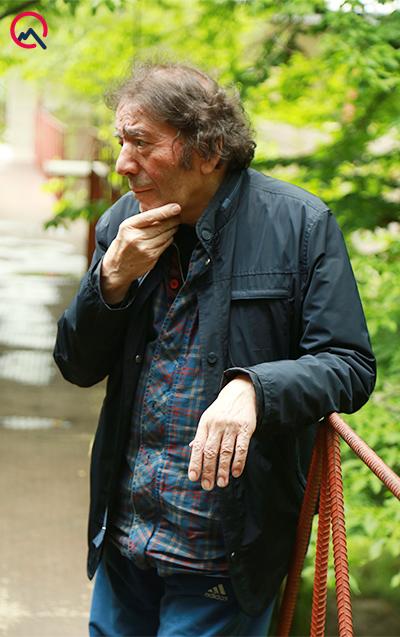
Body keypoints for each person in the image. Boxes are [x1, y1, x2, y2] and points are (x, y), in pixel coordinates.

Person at [54, 61, 376, 637]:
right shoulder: (123, 222)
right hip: (126, 536)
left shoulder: (299, 225)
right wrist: (111, 280)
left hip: (221, 550)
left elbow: (349, 365)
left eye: (141, 143)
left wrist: (255, 388)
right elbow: (76, 364)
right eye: (121, 141)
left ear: (207, 150)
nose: (123, 162)